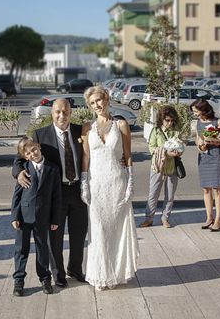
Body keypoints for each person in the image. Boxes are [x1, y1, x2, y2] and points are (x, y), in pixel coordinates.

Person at [12, 98, 88, 288]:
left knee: (79, 234)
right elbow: (21, 157)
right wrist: (18, 173)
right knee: (55, 236)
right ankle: (58, 274)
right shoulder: (40, 134)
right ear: (52, 113)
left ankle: (75, 269)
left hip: (78, 190)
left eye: (65, 111)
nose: (62, 115)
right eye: (57, 112)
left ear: (71, 112)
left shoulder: (81, 131)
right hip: (54, 194)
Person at [80, 86, 139, 290]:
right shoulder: (87, 127)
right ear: (90, 106)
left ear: (107, 99)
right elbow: (86, 156)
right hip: (96, 186)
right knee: (98, 231)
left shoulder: (121, 124)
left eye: (100, 100)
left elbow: (128, 156)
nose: (97, 105)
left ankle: (114, 274)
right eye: (93, 102)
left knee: (116, 230)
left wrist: (130, 183)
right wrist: (84, 184)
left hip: (117, 183)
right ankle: (99, 275)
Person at [11, 137, 62, 297]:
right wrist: (14, 217)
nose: (33, 153)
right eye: (28, 153)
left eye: (34, 149)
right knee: (21, 249)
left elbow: (57, 196)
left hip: (43, 217)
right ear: (25, 156)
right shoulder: (24, 170)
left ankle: (45, 279)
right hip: (24, 218)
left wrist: (55, 219)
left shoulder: (52, 169)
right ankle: (19, 281)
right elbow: (16, 196)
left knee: (42, 248)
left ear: (38, 147)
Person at [139, 106, 184, 228]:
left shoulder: (176, 131)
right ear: (162, 119)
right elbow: (151, 148)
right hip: (158, 166)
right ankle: (149, 218)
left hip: (172, 166)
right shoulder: (156, 130)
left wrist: (179, 151)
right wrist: (164, 151)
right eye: (167, 120)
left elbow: (181, 146)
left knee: (169, 195)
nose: (170, 123)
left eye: (172, 120)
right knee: (153, 193)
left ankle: (165, 218)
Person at [190, 98, 220, 232]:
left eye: (196, 111)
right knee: (206, 189)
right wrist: (201, 146)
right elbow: (196, 140)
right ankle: (209, 217)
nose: (194, 113)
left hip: (216, 157)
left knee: (217, 189)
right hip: (203, 156)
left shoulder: (218, 121)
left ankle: (218, 220)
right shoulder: (198, 122)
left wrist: (214, 140)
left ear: (203, 109)